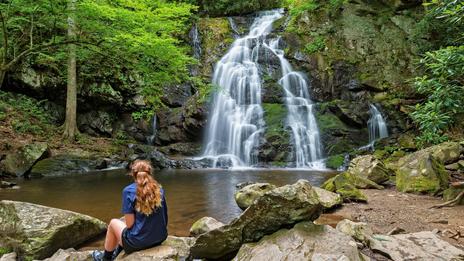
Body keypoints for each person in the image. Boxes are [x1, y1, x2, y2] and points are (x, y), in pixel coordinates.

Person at [92, 160, 168, 261]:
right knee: (123, 221)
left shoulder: (128, 191)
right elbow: (164, 218)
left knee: (113, 223)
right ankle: (117, 251)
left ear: (133, 174)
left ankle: (105, 258)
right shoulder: (159, 189)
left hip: (138, 243)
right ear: (150, 173)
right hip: (160, 237)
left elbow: (129, 225)